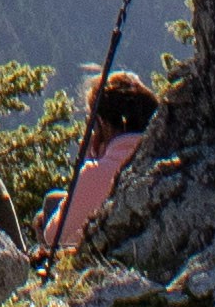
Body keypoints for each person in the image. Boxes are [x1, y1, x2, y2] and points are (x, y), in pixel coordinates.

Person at [44, 64, 160, 260]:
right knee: (56, 198)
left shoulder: (96, 174)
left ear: (102, 123)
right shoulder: (160, 161)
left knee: (50, 205)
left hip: (102, 260)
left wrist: (91, 156)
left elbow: (53, 237)